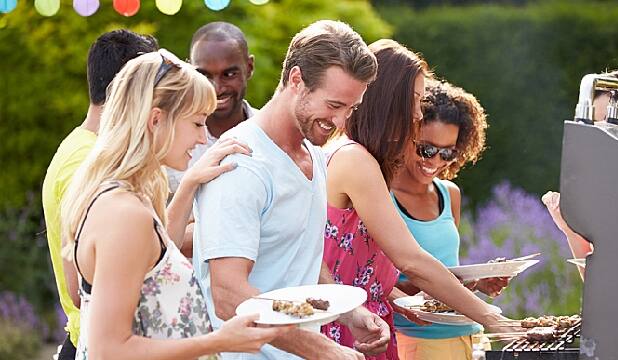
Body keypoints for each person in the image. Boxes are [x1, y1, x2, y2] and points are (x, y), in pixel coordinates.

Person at [59, 49, 290, 359]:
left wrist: (190, 184)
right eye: (196, 124)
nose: (202, 137)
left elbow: (154, 259)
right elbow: (109, 350)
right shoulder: (125, 214)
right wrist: (220, 341)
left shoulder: (112, 196)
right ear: (157, 119)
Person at [193, 20, 390, 360]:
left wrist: (349, 312)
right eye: (333, 105)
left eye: (350, 109)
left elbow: (301, 254)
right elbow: (227, 295)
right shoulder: (241, 162)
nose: (342, 122)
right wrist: (318, 347)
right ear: (296, 80)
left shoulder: (313, 152)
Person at [321, 39, 512, 359]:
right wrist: (496, 319)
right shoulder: (354, 159)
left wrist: (394, 299)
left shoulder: (360, 157)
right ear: (387, 100)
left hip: (366, 326)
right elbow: (410, 260)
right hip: (348, 333)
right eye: (414, 100)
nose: (416, 112)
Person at [42, 29, 158, 360]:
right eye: (151, 90)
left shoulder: (87, 149)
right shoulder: (88, 161)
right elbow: (84, 282)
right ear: (126, 89)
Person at [390, 80, 507, 360]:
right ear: (407, 136)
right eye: (426, 149)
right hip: (412, 339)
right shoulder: (382, 196)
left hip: (462, 333)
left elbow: (445, 269)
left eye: (447, 152)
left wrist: (476, 281)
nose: (436, 161)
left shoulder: (449, 194)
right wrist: (430, 288)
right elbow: (376, 281)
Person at [165, 21, 257, 257]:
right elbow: (157, 241)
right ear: (189, 71)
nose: (216, 88)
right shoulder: (166, 143)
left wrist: (196, 224)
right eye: (204, 75)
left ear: (249, 68)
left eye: (229, 74)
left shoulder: (271, 136)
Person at [542, 67, 618, 278]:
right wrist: (571, 230)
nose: (602, 134)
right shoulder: (616, 189)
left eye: (613, 121)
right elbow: (604, 289)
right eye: (596, 125)